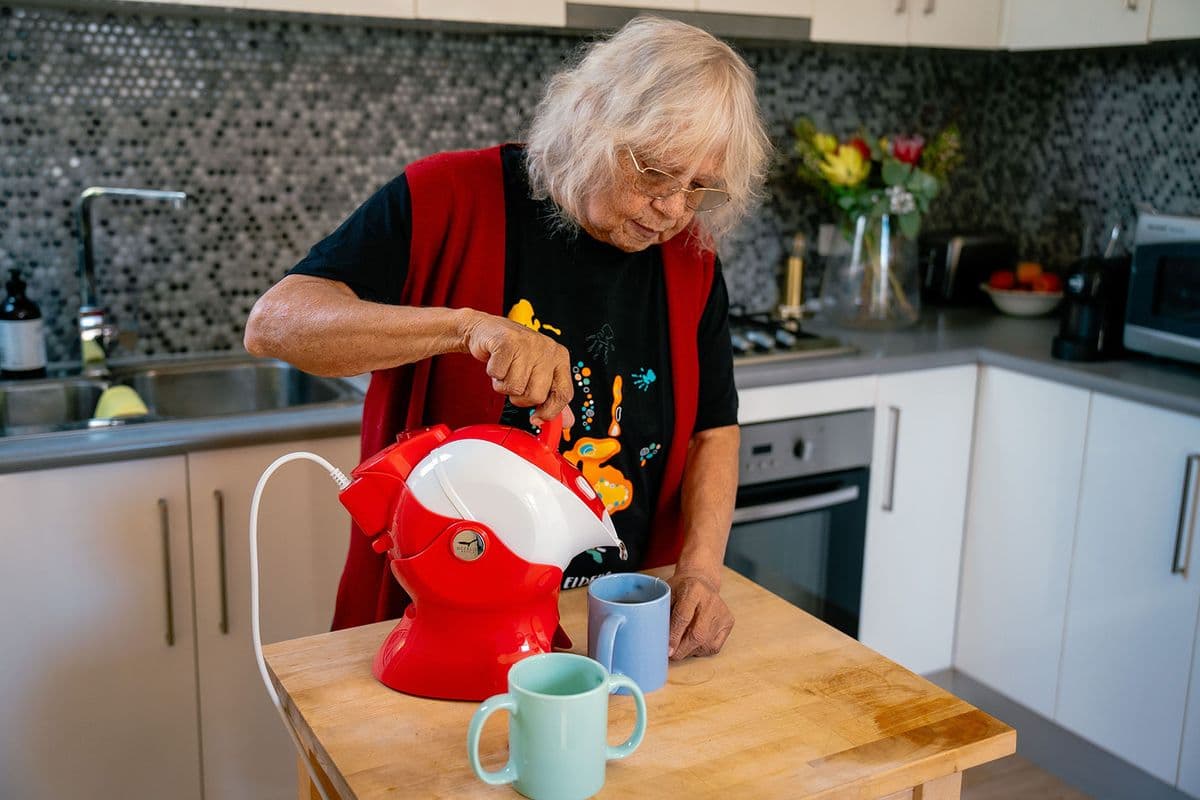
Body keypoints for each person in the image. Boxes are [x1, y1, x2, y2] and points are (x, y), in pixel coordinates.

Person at [244, 15, 771, 661]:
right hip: (445, 614)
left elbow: (713, 429)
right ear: (589, 120)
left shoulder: (691, 257)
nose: (673, 209)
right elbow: (275, 323)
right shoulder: (446, 196)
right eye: (656, 172)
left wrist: (699, 574)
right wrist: (465, 327)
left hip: (623, 621)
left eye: (699, 188)